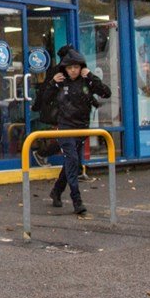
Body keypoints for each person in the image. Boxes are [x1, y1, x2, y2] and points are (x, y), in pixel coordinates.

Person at [40, 45, 111, 214]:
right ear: (65, 68)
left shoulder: (87, 80)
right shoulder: (60, 81)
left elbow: (105, 93)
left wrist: (91, 77)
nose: (73, 70)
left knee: (70, 163)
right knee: (72, 160)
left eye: (76, 67)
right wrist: (52, 83)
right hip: (65, 128)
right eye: (70, 67)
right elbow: (45, 100)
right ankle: (76, 200)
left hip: (81, 128)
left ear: (81, 67)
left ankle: (56, 191)